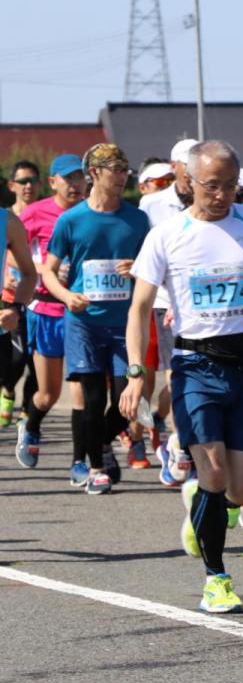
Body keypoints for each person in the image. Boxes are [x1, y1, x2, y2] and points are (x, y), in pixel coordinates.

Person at [121, 140, 243, 613]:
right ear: (189, 182)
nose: (220, 195)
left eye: (228, 186)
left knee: (240, 488)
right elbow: (140, 308)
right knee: (216, 473)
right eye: (210, 186)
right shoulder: (167, 235)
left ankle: (202, 502)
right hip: (195, 367)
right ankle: (216, 579)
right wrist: (137, 373)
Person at [41, 144, 150, 494]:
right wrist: (65, 295)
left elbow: (152, 268)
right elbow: (48, 271)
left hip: (124, 324)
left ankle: (100, 442)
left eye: (125, 169)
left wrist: (137, 268)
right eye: (115, 169)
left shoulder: (137, 219)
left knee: (126, 401)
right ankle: (97, 467)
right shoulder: (71, 220)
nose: (121, 176)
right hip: (84, 322)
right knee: (92, 398)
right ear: (94, 173)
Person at [13, 155, 85, 470]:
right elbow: (10, 252)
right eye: (68, 178)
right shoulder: (35, 213)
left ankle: (82, 462)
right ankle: (30, 425)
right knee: (48, 394)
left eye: (80, 177)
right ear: (54, 182)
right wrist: (42, 269)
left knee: (83, 390)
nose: (75, 184)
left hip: (83, 311)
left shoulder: (92, 212)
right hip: (46, 310)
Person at [140, 138, 199, 486]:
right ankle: (180, 446)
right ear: (175, 167)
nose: (193, 172)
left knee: (196, 376)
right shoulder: (152, 205)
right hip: (165, 303)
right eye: (187, 165)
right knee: (176, 375)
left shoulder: (215, 199)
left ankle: (176, 434)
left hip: (205, 304)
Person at [1, 159, 41, 428]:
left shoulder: (9, 221)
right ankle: (8, 392)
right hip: (9, 295)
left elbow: (31, 270)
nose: (28, 186)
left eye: (32, 181)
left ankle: (26, 412)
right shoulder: (10, 216)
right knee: (17, 359)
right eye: (22, 181)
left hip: (35, 302)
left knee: (31, 360)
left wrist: (15, 307)